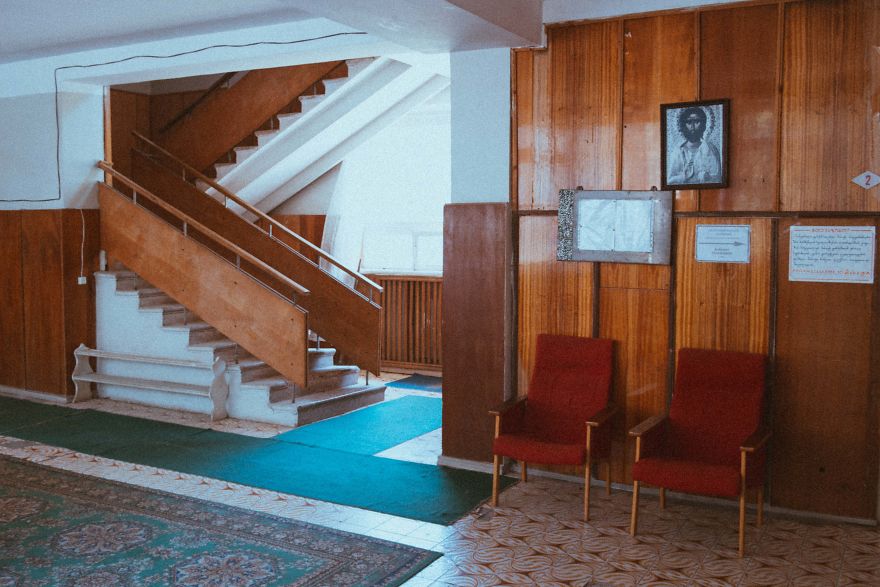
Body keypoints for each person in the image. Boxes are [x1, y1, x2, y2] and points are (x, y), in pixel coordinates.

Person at [666, 106, 721, 185]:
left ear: (704, 125)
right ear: (683, 125)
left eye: (696, 122)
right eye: (689, 122)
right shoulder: (678, 151)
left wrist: (707, 177)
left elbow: (718, 178)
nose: (692, 126)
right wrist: (683, 177)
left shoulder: (711, 150)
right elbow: (669, 181)